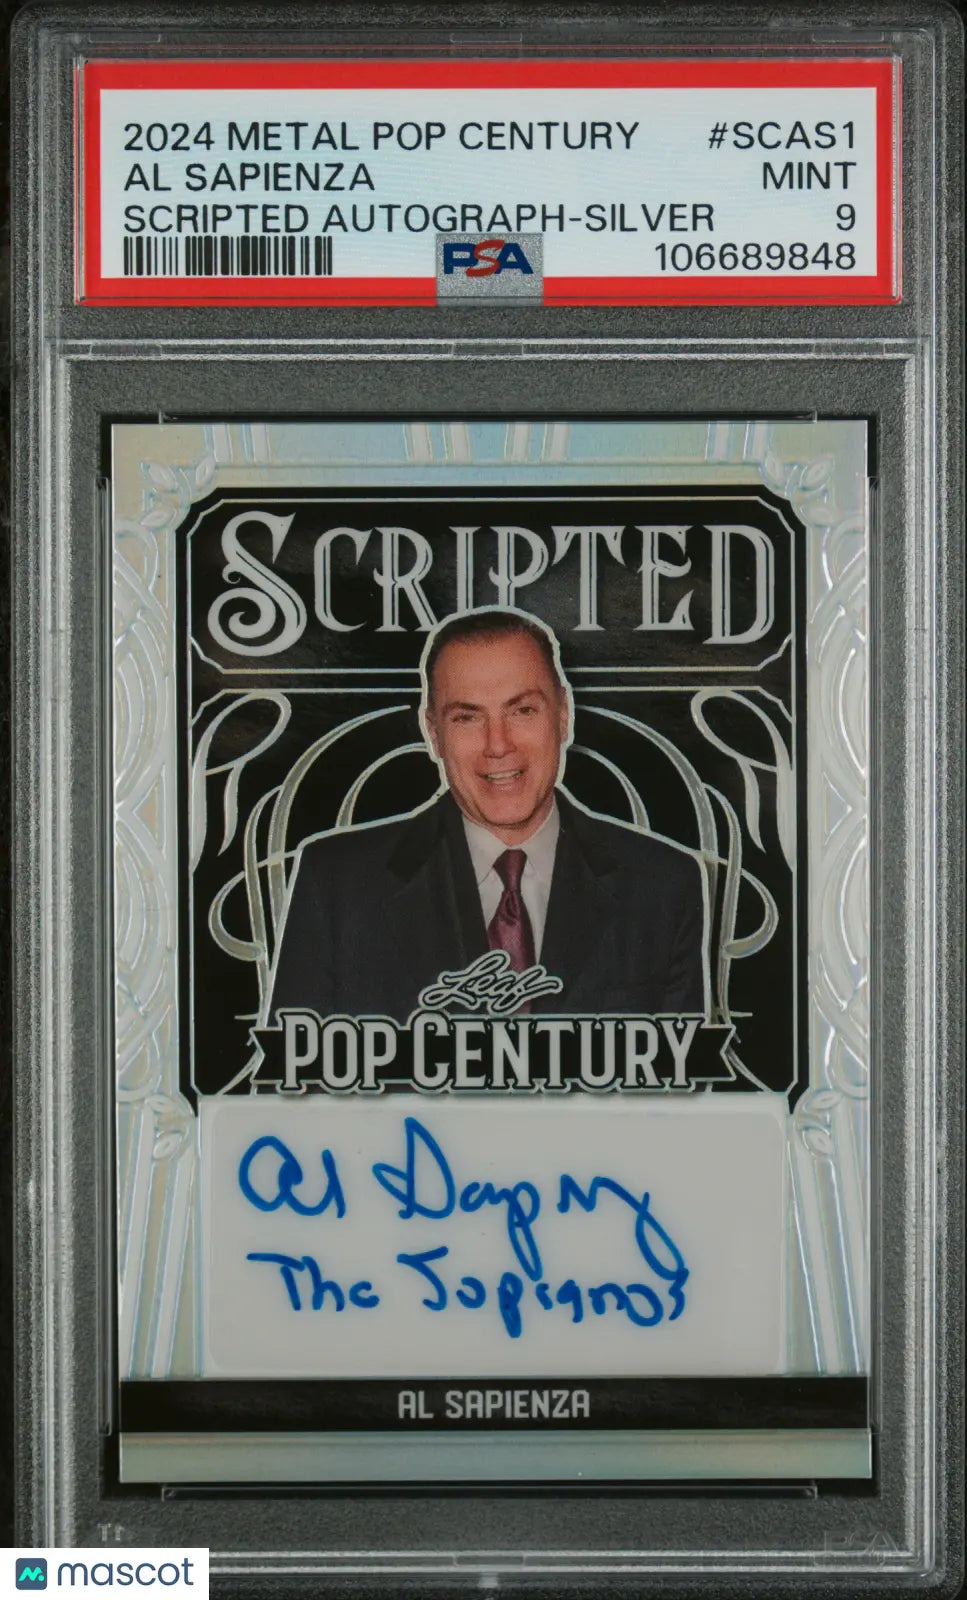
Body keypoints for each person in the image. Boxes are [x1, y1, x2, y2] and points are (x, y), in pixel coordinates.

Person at [268, 609, 706, 1022]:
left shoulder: (665, 885)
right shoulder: (335, 884)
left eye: (522, 710)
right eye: (467, 718)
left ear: (564, 715)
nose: (498, 744)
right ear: (433, 733)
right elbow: (290, 1073)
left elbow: (682, 1074)